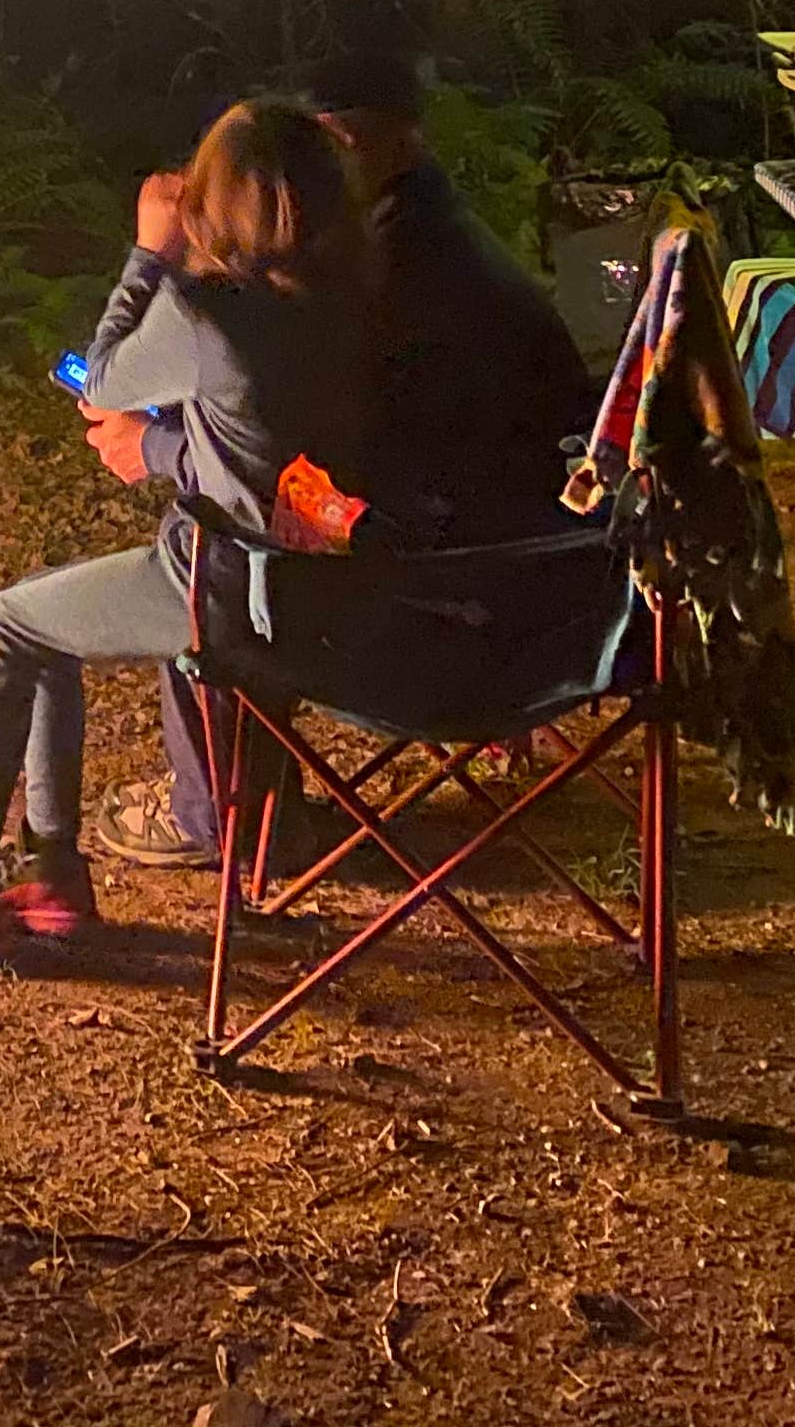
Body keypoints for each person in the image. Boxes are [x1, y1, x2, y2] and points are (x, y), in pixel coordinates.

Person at [0, 99, 367, 964]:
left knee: (6, 624)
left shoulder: (213, 316)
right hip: (335, 593)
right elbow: (260, 447)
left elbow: (104, 378)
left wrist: (151, 253)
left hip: (229, 588)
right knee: (45, 621)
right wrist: (172, 442)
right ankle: (51, 873)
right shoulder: (356, 295)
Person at [97, 47, 598, 869]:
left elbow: (307, 471)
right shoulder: (414, 234)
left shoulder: (392, 273)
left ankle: (219, 817)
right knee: (243, 545)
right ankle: (238, 804)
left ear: (345, 143)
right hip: (549, 574)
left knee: (222, 556)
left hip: (464, 597)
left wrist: (156, 444)